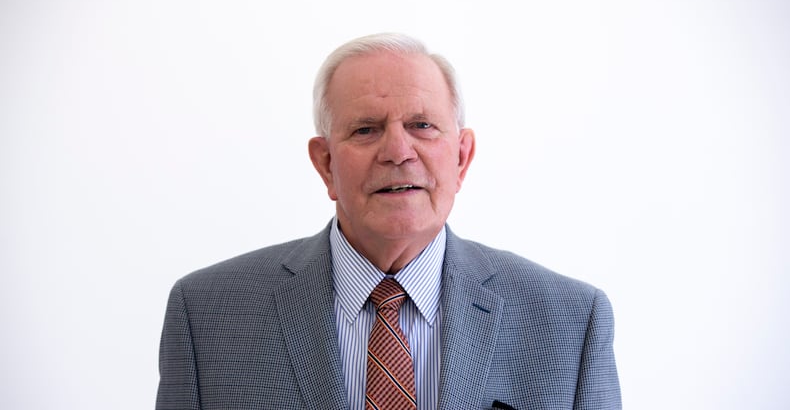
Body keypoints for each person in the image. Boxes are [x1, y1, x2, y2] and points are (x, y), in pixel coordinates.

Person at [156, 33, 621, 410]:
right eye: (366, 129)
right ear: (325, 164)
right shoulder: (206, 316)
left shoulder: (570, 323)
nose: (398, 152)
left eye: (422, 125)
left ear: (461, 158)